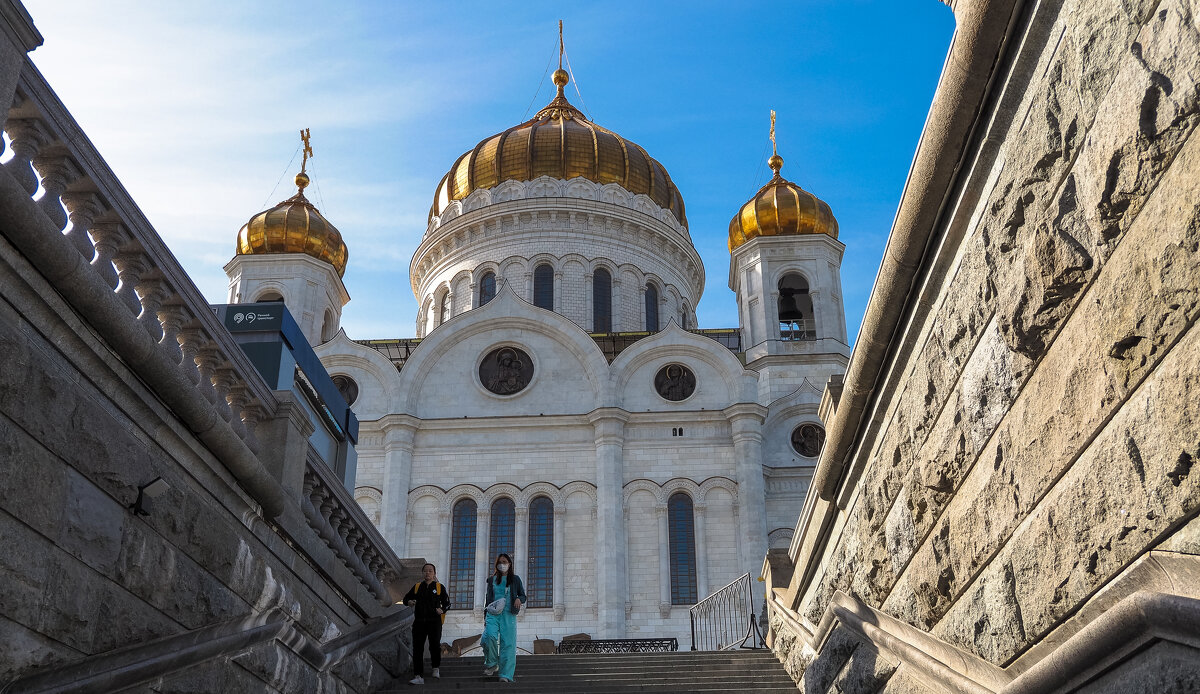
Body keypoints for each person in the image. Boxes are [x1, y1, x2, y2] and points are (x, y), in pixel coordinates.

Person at [481, 553, 526, 683]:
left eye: (505, 562)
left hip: (508, 614)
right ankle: (492, 663)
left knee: (508, 644)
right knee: (488, 637)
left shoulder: (515, 579)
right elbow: (488, 599)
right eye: (500, 562)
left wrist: (518, 598)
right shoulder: (491, 580)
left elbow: (523, 595)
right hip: (492, 613)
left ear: (509, 564)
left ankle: (505, 674)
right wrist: (485, 618)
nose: (502, 564)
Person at [403, 562, 450, 685]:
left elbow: (447, 603)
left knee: (434, 645)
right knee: (417, 648)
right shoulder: (417, 587)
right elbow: (405, 599)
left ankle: (435, 668)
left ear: (434, 574)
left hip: (434, 622)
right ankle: (418, 675)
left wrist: (442, 609)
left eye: (430, 571)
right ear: (422, 573)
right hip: (419, 622)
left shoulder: (439, 587)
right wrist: (409, 602)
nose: (427, 573)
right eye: (425, 571)